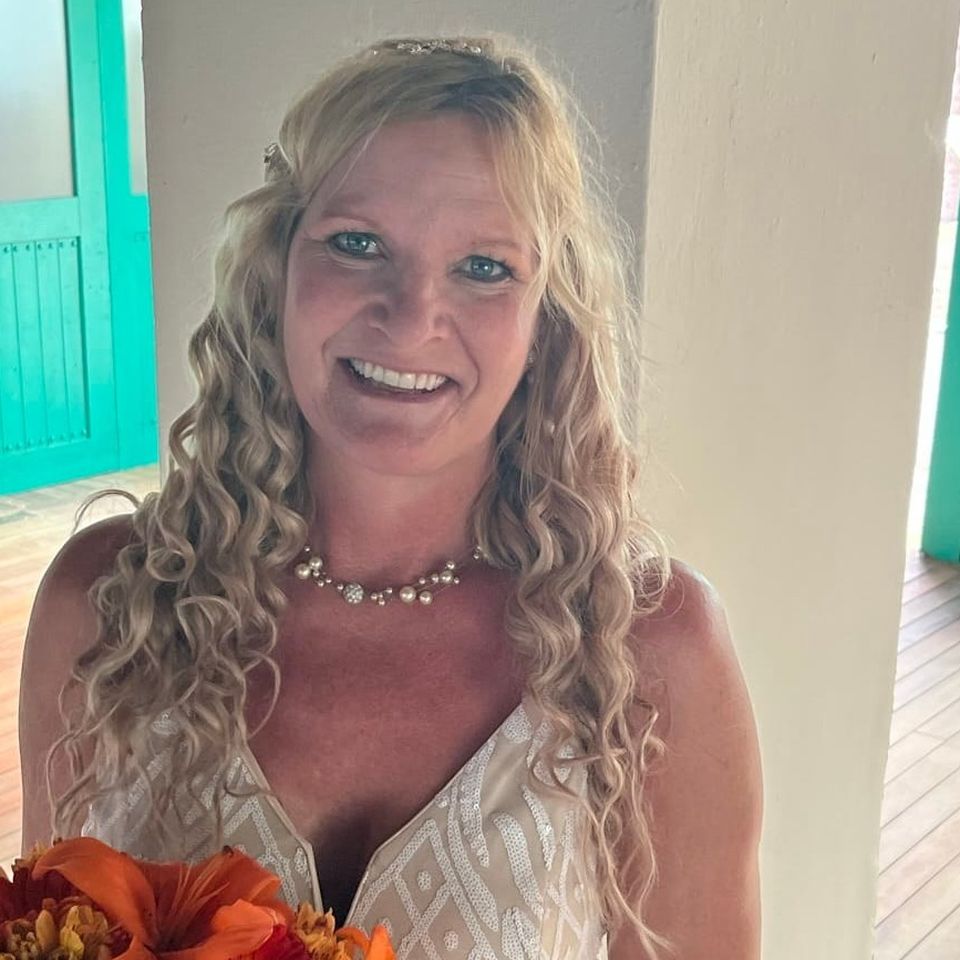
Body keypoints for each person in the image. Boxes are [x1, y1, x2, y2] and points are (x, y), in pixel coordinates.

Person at [18, 35, 763, 960]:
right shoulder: (109, 609)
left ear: (547, 316)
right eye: (357, 243)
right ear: (274, 271)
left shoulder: (651, 650)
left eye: (484, 267)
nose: (410, 318)